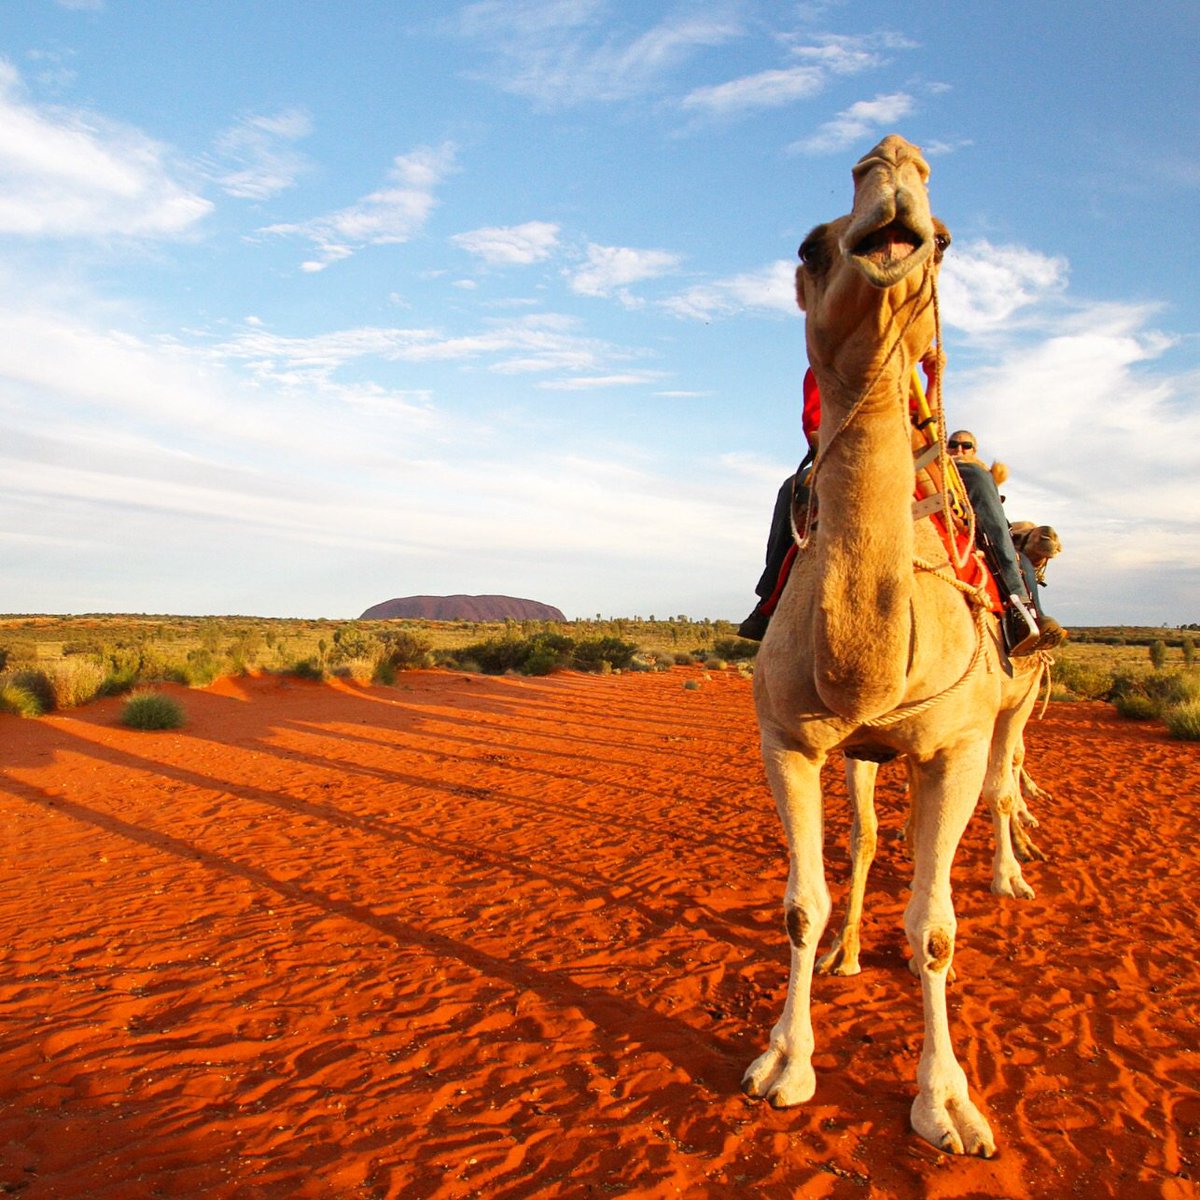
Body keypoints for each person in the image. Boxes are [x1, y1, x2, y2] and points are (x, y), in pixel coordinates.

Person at [947, 430, 1065, 655]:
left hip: (977, 529)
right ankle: (1023, 611)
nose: (959, 449)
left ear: (974, 450)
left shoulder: (973, 474)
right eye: (953, 444)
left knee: (1022, 561)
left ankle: (1029, 616)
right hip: (961, 525)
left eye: (966, 446)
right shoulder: (965, 472)